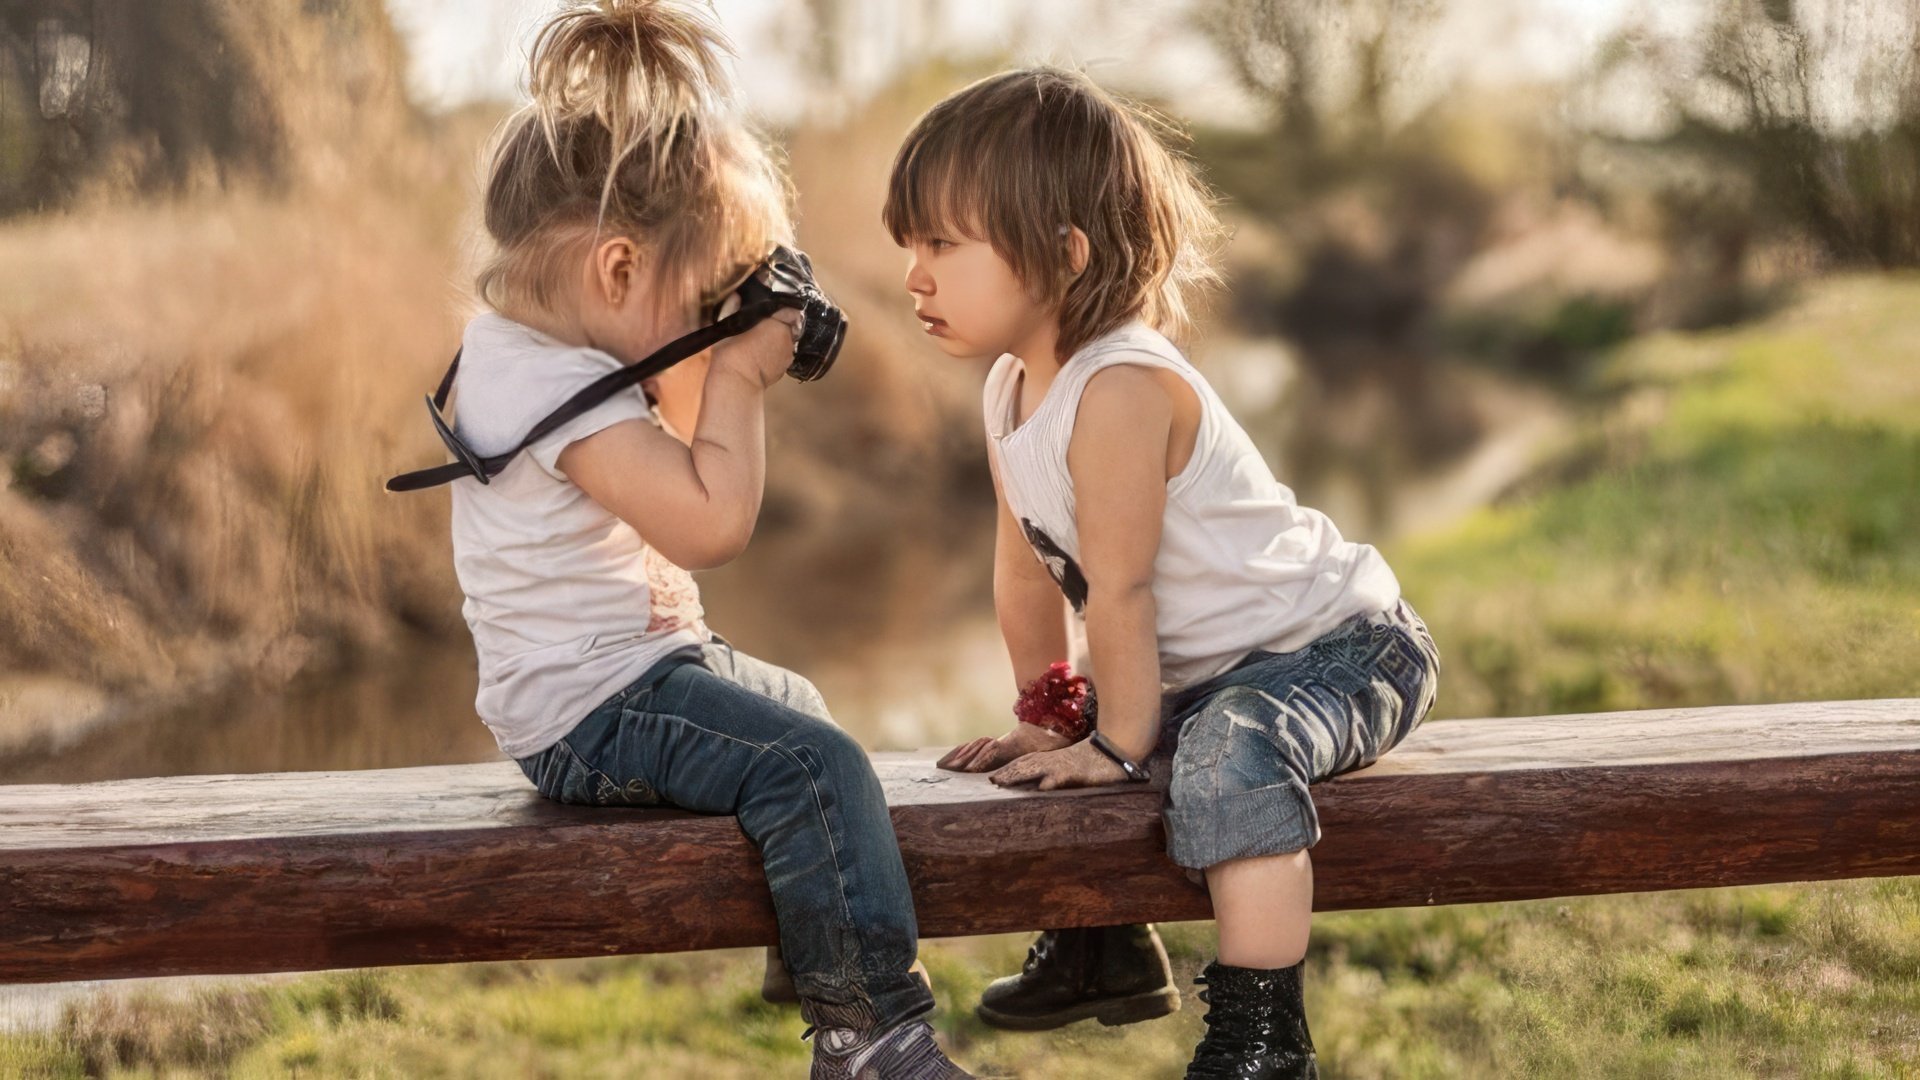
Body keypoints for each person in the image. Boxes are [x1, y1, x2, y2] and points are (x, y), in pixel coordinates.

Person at [433, 3, 974, 1076]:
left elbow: (670, 453)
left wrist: (712, 337)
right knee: (816, 766)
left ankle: (810, 945)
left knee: (803, 718)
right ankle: (869, 1035)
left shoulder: (527, 352)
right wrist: (737, 371)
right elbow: (713, 521)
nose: (709, 317)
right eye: (699, 296)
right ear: (619, 271)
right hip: (595, 711)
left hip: (610, 684)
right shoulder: (560, 391)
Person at [884, 67, 1440, 1079]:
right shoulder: (1012, 389)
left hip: (1339, 652)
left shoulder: (1123, 386)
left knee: (1217, 745)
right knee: (1080, 740)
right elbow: (1025, 577)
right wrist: (1051, 712)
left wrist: (1120, 738)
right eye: (907, 246)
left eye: (941, 245)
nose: (912, 275)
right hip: (1220, 667)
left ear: (1064, 253)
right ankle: (1105, 949)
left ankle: (1263, 1040)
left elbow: (1124, 590)